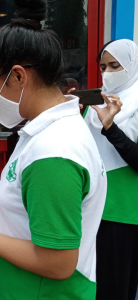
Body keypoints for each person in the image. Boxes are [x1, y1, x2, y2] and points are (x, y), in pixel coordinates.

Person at [0, 0, 107, 299]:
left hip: (47, 291)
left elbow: (57, 263)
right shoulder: (43, 129)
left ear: (18, 76)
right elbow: (34, 191)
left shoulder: (54, 151)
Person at [83, 39, 138, 300]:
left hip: (123, 212)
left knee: (117, 288)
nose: (107, 72)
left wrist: (111, 128)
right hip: (90, 205)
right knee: (92, 282)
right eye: (103, 66)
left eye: (115, 65)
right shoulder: (95, 104)